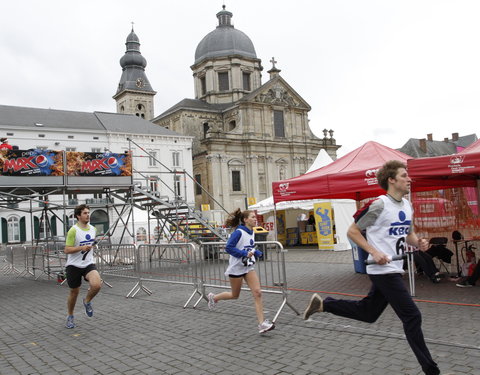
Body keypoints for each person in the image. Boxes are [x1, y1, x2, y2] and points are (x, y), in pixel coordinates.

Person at [303, 160, 441, 375]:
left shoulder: (407, 205)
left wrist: (419, 242)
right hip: (382, 271)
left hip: (394, 267)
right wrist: (374, 251)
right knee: (412, 316)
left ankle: (324, 305)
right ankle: (431, 370)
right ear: (391, 180)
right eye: (404, 176)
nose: (409, 179)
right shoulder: (379, 205)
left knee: (368, 313)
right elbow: (353, 231)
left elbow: (409, 234)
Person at [207, 208, 275, 334]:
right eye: (252, 217)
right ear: (245, 220)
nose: (255, 219)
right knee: (235, 295)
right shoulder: (238, 232)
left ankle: (262, 324)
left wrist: (256, 252)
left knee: (257, 293)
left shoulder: (252, 231)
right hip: (236, 268)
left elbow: (249, 247)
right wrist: (244, 253)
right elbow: (229, 247)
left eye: (255, 217)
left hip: (248, 267)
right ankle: (214, 297)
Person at [64, 204, 101, 328]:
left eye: (88, 212)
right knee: (74, 292)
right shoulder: (73, 230)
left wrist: (93, 244)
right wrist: (81, 247)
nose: (88, 215)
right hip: (73, 265)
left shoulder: (93, 229)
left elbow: (91, 242)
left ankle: (87, 301)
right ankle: (70, 316)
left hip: (88, 263)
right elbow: (67, 250)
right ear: (78, 216)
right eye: (85, 213)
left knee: (96, 285)